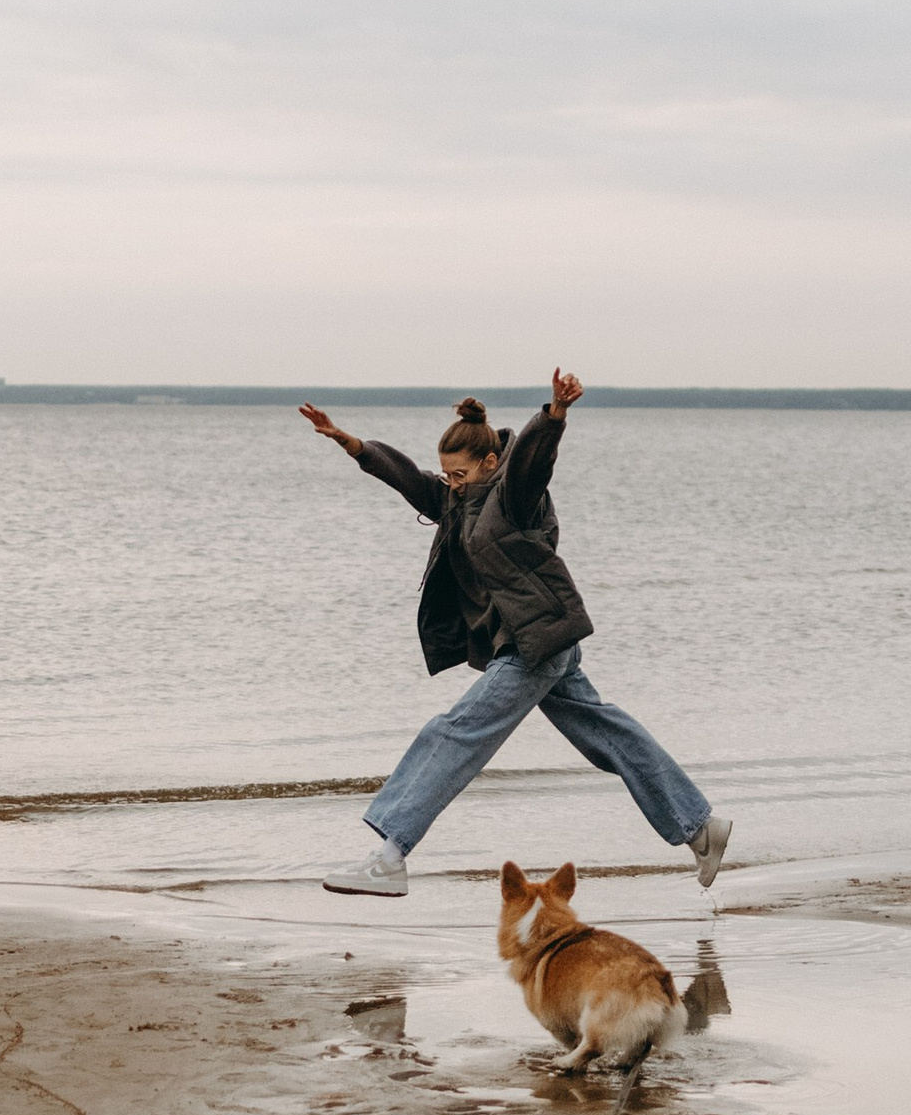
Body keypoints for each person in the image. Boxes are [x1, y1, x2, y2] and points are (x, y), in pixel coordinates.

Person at [298, 371, 730, 900]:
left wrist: (554, 415)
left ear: (489, 464)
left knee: (454, 733)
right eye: (447, 475)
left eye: (460, 474)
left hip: (532, 645)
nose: (451, 483)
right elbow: (407, 477)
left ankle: (390, 856)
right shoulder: (457, 503)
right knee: (610, 736)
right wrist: (351, 443)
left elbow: (531, 460)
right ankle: (699, 826)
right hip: (545, 642)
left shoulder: (514, 497)